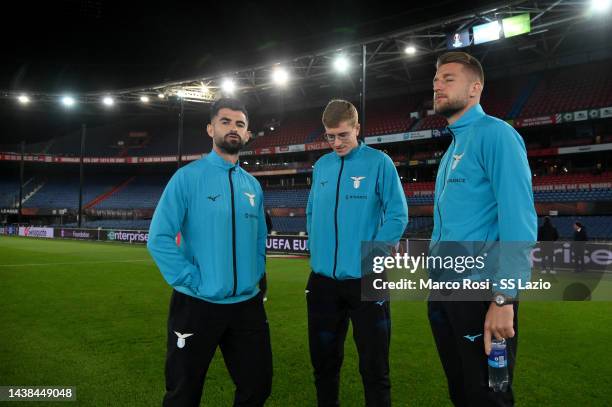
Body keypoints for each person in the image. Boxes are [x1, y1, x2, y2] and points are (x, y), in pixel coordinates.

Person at [427, 52, 537, 406]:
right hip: (445, 291)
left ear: (475, 88)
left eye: (448, 79)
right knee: (461, 392)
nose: (437, 86)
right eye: (435, 80)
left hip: (480, 291)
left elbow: (519, 219)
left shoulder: (496, 135)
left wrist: (504, 298)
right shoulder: (454, 147)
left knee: (489, 397)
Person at [147, 98, 272, 407]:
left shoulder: (253, 186)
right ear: (210, 128)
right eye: (226, 121)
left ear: (247, 134)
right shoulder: (187, 178)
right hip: (196, 303)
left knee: (257, 387)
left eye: (240, 124)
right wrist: (191, 278)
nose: (233, 128)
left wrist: (255, 274)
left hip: (246, 304)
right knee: (183, 393)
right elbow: (158, 238)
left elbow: (259, 238)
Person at [306, 99, 408, 407]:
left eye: (342, 135)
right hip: (323, 282)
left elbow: (397, 215)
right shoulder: (322, 166)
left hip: (367, 280)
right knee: (324, 365)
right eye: (330, 136)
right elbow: (312, 212)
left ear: (357, 129)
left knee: (375, 368)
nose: (336, 143)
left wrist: (372, 258)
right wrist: (319, 251)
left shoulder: (379, 163)